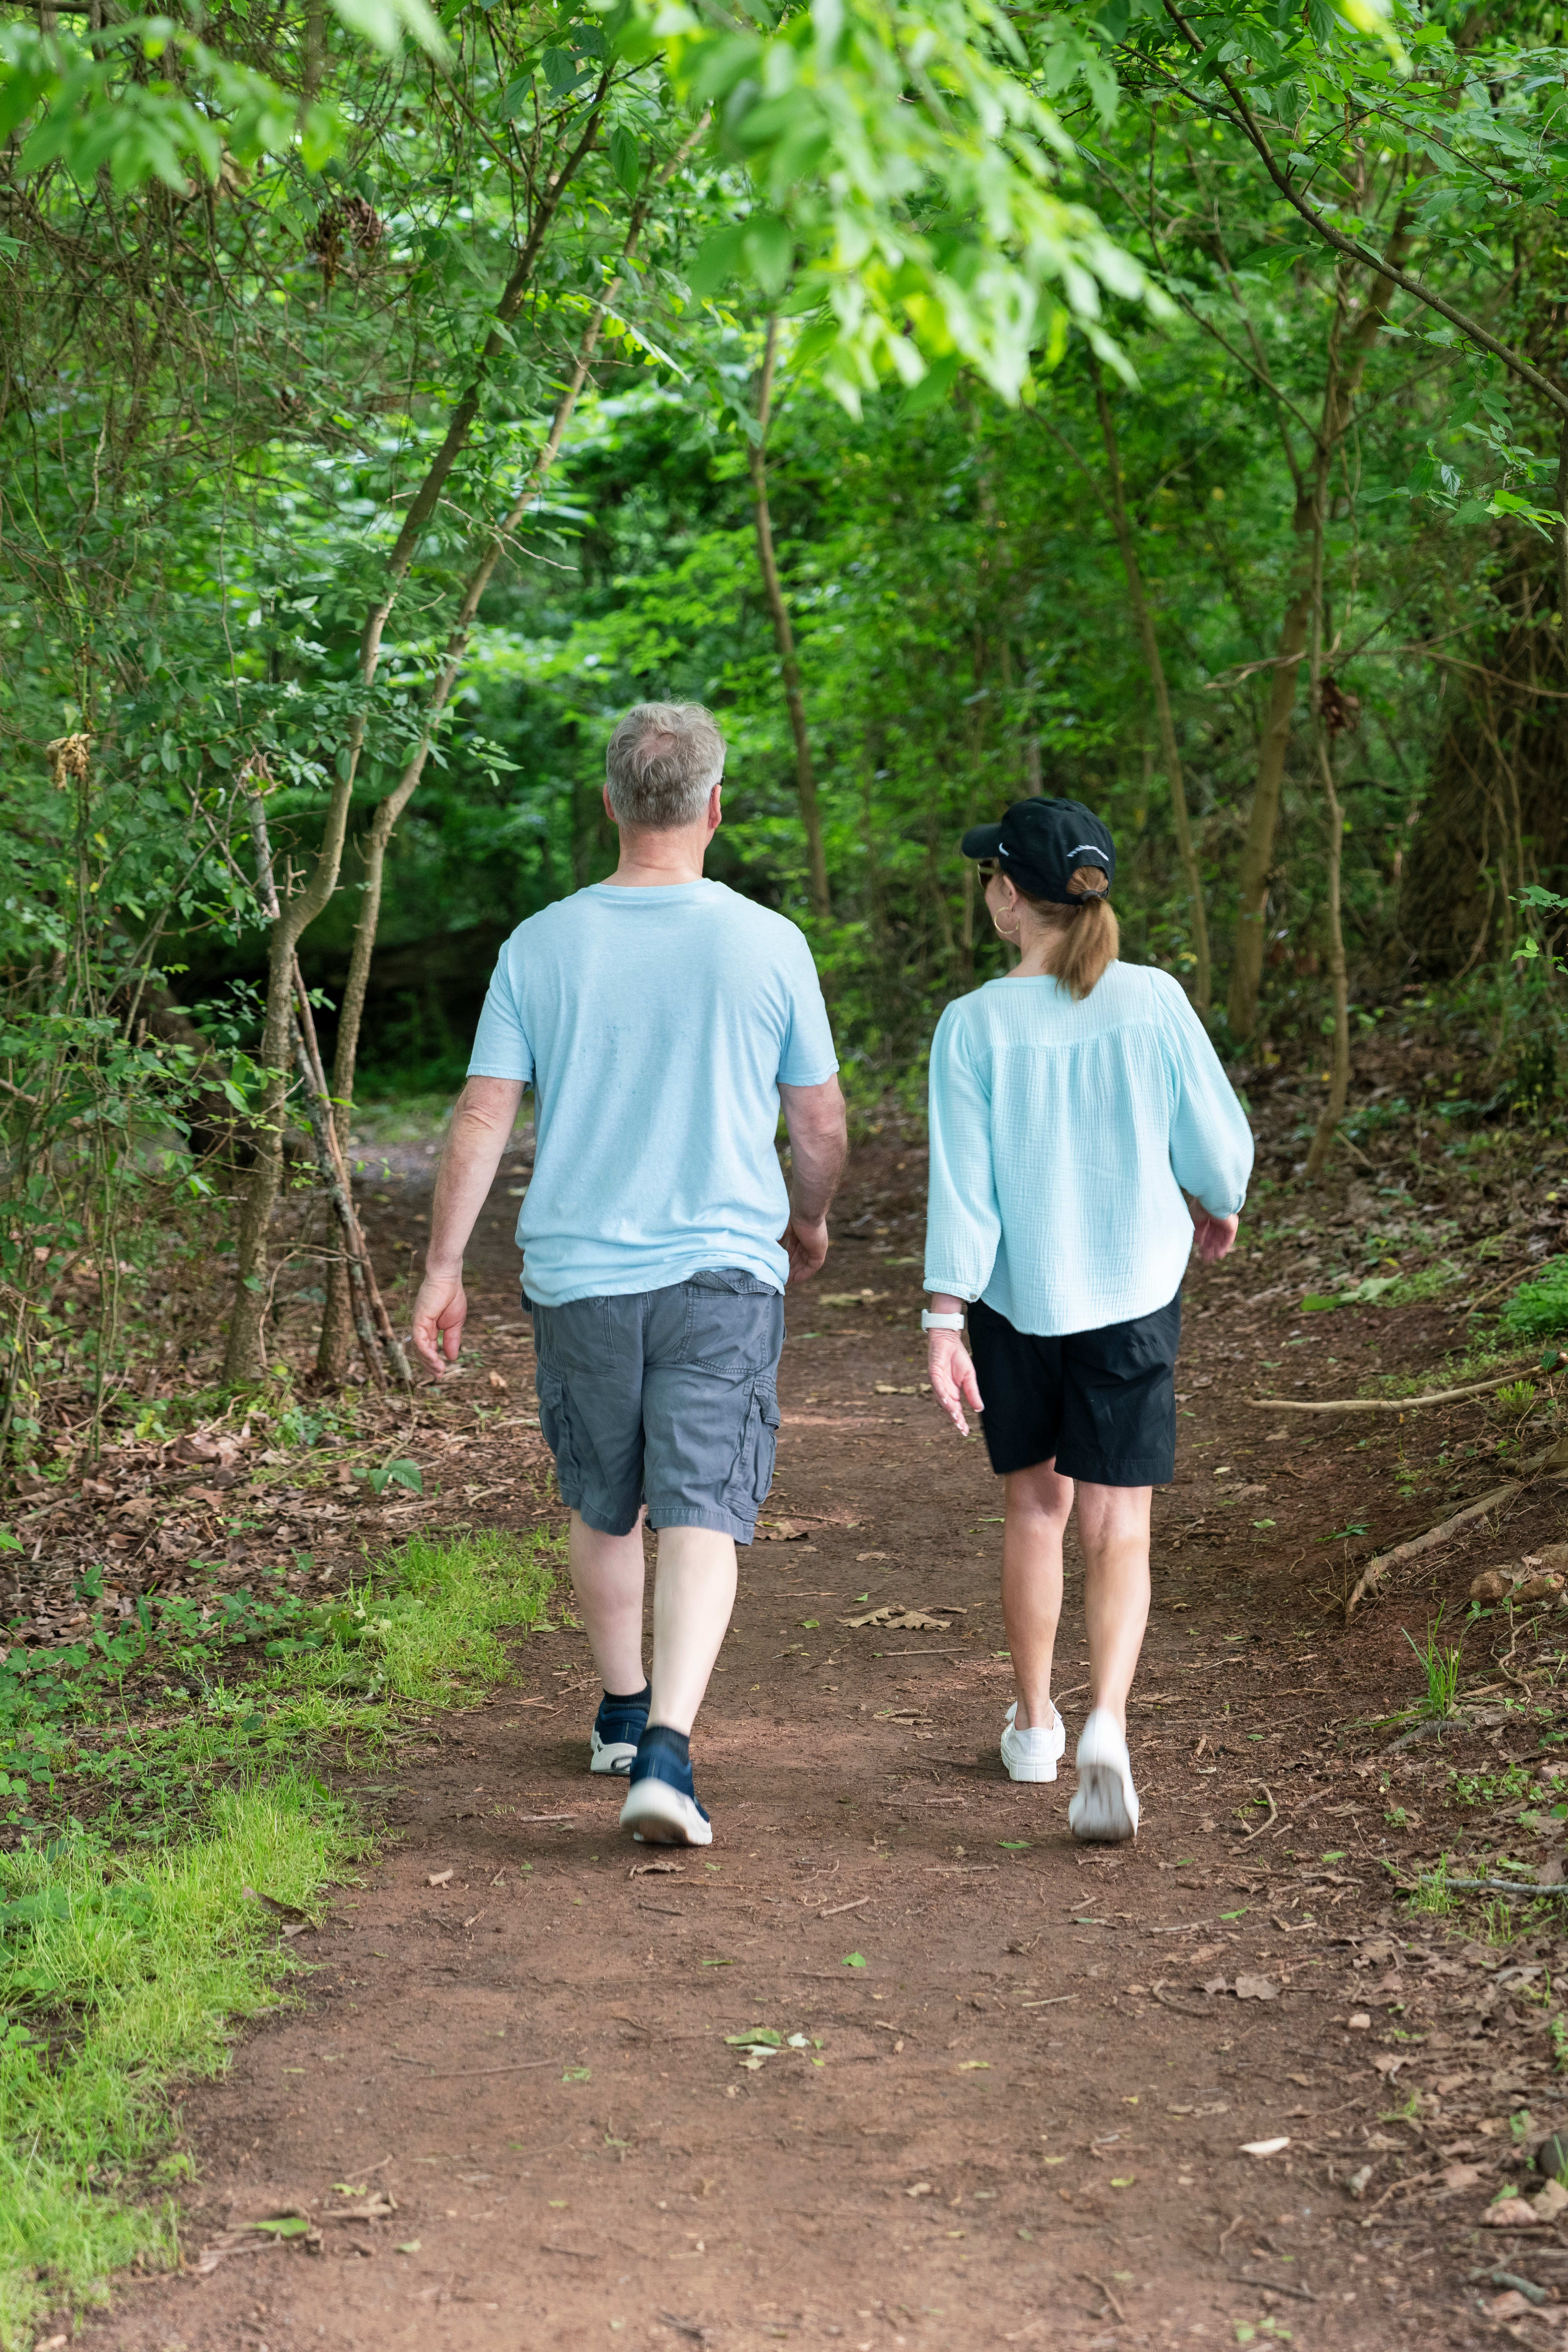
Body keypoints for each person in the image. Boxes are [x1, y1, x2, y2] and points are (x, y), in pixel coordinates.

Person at [411, 702, 846, 1847]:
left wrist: (444, 1267)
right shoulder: (769, 943)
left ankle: (619, 1710)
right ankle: (669, 1750)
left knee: (604, 1496)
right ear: (715, 806)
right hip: (724, 1269)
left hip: (581, 1275)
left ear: (610, 803)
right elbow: (818, 1121)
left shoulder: (540, 944)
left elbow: (484, 1112)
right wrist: (807, 1220)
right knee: (703, 1501)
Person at [921, 795, 1253, 1842]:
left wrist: (943, 1315)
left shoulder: (972, 1024)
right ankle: (1107, 1721)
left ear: (1010, 897)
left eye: (989, 875)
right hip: (1133, 1293)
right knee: (1120, 1525)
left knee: (1036, 1511)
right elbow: (1217, 1144)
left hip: (1018, 1300)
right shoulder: (1153, 1000)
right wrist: (1219, 1200)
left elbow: (965, 1191)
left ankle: (1035, 1725)